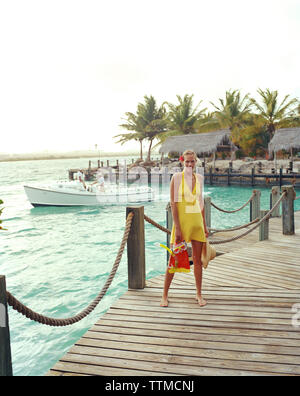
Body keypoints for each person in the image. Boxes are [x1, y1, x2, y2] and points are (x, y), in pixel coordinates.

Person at [160, 150, 209, 308]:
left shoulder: (199, 178)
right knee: (174, 260)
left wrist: (205, 225)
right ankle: (165, 295)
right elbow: (174, 205)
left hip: (197, 224)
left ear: (196, 162)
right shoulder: (176, 178)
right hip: (182, 224)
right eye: (187, 162)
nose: (189, 164)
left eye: (192, 161)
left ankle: (199, 294)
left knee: (197, 261)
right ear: (182, 162)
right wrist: (178, 228)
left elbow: (201, 204)